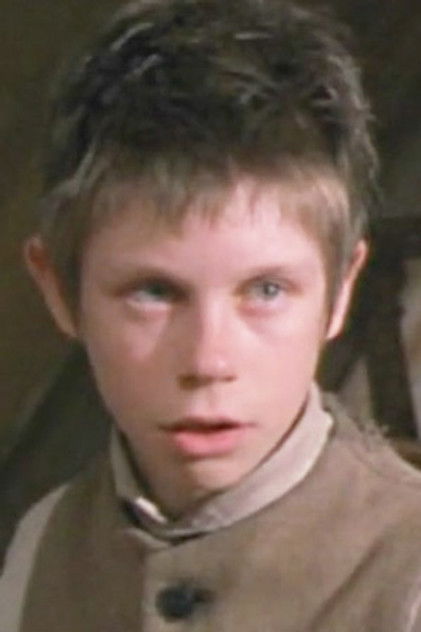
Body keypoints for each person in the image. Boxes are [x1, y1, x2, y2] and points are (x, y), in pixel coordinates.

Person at [2, 0, 421, 629]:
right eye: (153, 292)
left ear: (340, 292)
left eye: (267, 290)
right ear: (60, 291)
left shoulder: (405, 568)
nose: (208, 361)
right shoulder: (41, 546)